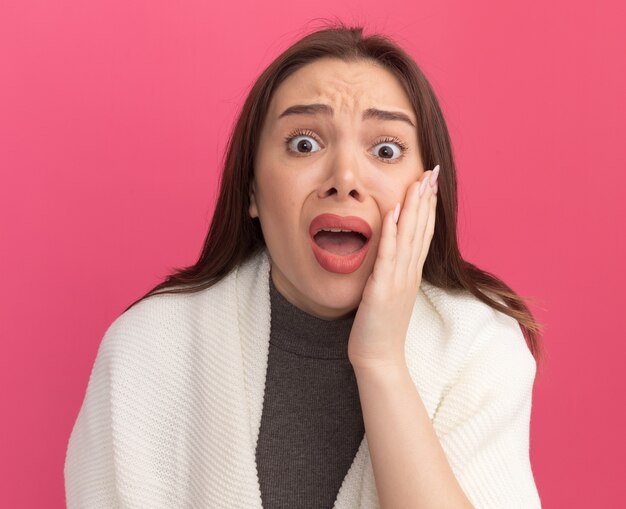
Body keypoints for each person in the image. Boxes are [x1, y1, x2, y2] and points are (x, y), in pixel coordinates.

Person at [64, 24, 544, 508]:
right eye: (304, 145)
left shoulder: (480, 344)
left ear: (428, 189)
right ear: (251, 190)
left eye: (385, 150)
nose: (345, 179)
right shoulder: (148, 348)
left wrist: (381, 363)